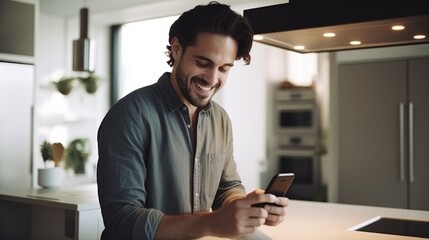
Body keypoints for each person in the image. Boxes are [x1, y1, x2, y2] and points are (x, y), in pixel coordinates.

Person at [97, 2, 289, 239]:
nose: (212, 79)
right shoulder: (129, 116)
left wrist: (246, 207)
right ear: (176, 49)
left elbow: (226, 189)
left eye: (224, 68)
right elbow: (123, 221)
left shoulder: (220, 119)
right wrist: (209, 223)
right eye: (203, 63)